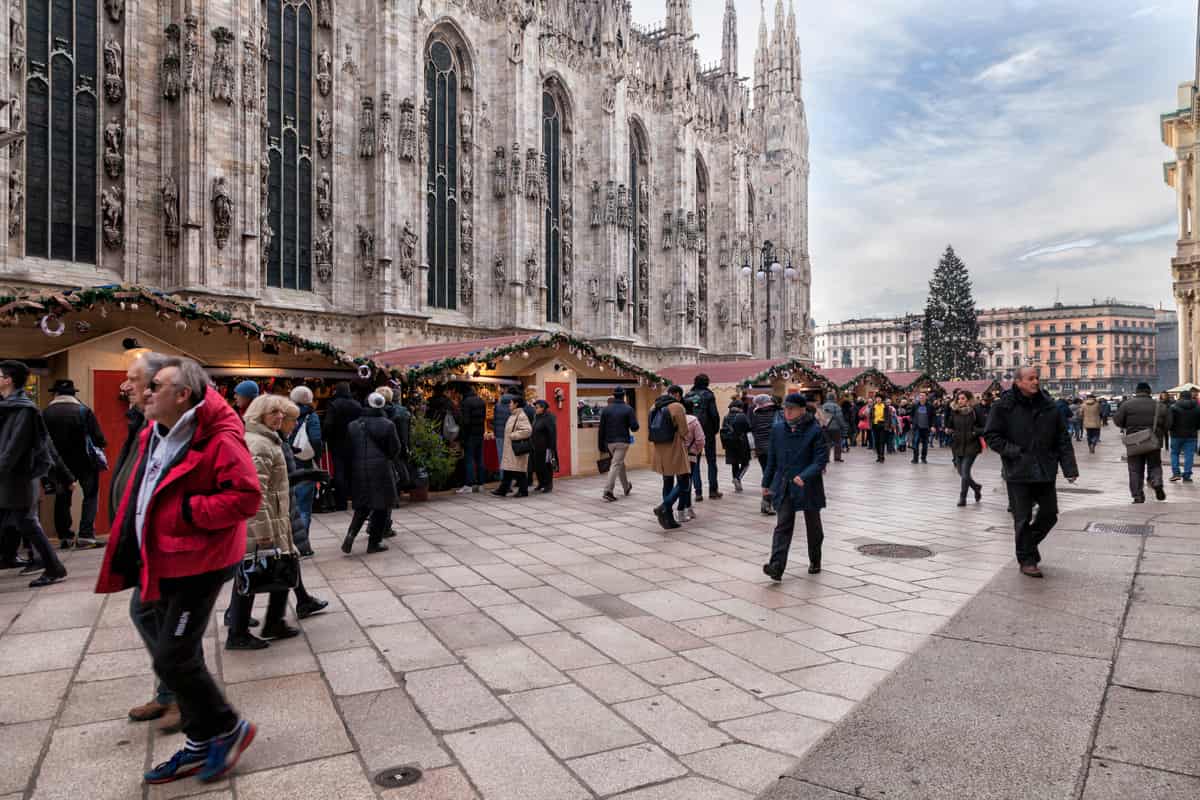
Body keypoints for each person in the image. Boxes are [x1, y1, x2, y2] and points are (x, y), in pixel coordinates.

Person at [95, 356, 259, 784]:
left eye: (156, 386)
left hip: (197, 561)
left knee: (173, 656)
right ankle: (200, 741)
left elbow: (245, 497)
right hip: (162, 555)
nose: (145, 392)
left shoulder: (219, 439)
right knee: (170, 651)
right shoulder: (156, 430)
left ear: (183, 394)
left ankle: (226, 727)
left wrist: (184, 513)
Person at [114, 353, 182, 733]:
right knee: (150, 613)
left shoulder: (180, 427)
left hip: (171, 543)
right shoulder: (147, 425)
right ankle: (170, 690)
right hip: (145, 539)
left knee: (167, 617)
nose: (127, 387)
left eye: (134, 380)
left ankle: (181, 695)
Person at [226, 394, 306, 650]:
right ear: (260, 414)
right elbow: (254, 491)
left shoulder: (267, 440)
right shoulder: (259, 444)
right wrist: (262, 530)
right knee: (250, 573)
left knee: (280, 566)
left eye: (280, 413)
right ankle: (238, 633)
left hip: (275, 516)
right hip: (263, 520)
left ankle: (274, 621)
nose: (280, 417)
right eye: (273, 413)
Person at [985, 366, 1079, 578]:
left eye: (1037, 378)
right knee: (1022, 517)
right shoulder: (1003, 406)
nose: (1035, 382)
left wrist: (1069, 468)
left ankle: (1026, 546)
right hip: (1018, 470)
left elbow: (1062, 439)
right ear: (1018, 382)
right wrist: (1014, 452)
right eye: (1030, 379)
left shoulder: (1050, 406)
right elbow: (992, 435)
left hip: (1045, 468)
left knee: (1050, 514)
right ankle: (1027, 560)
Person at [0, 360, 70, 586]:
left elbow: (14, 447)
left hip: (17, 477)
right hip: (11, 476)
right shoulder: (10, 406)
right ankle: (14, 558)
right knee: (23, 521)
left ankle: (53, 567)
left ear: (8, 379)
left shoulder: (23, 409)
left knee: (27, 521)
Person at [762, 393, 828, 580]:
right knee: (783, 525)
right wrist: (766, 483)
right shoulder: (777, 429)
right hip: (785, 484)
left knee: (813, 526)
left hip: (808, 485)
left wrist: (804, 476)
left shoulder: (815, 430)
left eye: (791, 409)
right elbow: (772, 459)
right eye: (785, 408)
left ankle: (815, 559)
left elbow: (820, 460)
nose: (787, 412)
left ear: (802, 410)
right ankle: (776, 567)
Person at [40, 377, 108, 549]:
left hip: (59, 464)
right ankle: (85, 535)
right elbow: (98, 438)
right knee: (90, 496)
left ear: (55, 394)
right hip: (85, 462)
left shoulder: (45, 413)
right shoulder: (83, 410)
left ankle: (65, 536)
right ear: (73, 394)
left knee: (62, 498)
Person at [278, 402, 331, 619]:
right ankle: (237, 617)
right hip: (274, 510)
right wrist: (309, 474)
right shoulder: (269, 443)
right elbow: (276, 480)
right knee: (276, 560)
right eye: (292, 421)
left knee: (286, 558)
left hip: (281, 506)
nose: (294, 426)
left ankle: (300, 601)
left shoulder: (277, 441)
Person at [341, 393, 401, 554]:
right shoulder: (388, 424)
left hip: (359, 468)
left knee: (362, 506)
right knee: (381, 506)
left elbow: (347, 450)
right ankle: (374, 543)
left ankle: (350, 535)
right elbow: (395, 449)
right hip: (381, 469)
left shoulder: (353, 425)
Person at [1114, 383, 1171, 504]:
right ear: (1149, 392)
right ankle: (1157, 483)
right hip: (1153, 441)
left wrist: (1128, 426)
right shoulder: (1159, 405)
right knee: (1155, 465)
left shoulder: (1126, 405)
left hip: (1134, 442)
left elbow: (1118, 421)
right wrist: (1159, 432)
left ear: (1137, 391)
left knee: (1135, 469)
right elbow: (1168, 424)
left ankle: (1138, 496)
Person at [287, 385, 323, 556]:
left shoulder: (286, 414)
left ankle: (290, 544)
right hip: (305, 464)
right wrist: (316, 457)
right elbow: (316, 439)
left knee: (290, 507)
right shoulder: (311, 416)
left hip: (289, 464)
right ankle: (303, 545)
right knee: (304, 507)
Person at [649, 385, 690, 530]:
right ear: (677, 395)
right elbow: (684, 431)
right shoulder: (677, 407)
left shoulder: (654, 406)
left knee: (667, 481)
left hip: (659, 448)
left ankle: (669, 519)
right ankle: (664, 506)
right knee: (684, 481)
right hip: (674, 447)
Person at [323, 382, 361, 512]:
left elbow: (328, 424)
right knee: (353, 471)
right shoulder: (357, 404)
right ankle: (356, 500)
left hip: (337, 442)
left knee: (340, 472)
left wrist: (326, 436)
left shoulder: (333, 405)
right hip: (354, 442)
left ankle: (341, 502)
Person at [685, 374, 722, 500]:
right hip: (708, 431)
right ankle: (713, 490)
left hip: (692, 430)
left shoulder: (688, 395)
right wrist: (715, 429)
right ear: (707, 383)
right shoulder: (709, 395)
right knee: (711, 461)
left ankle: (698, 492)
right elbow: (714, 414)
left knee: (695, 461)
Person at [598, 389, 638, 501]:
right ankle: (608, 490)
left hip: (609, 442)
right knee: (616, 464)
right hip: (622, 441)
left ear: (614, 396)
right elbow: (635, 427)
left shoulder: (606, 410)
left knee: (620, 463)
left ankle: (626, 487)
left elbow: (601, 429)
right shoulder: (628, 409)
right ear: (623, 396)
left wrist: (600, 445)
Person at [492, 396, 533, 497]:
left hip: (516, 449)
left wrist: (513, 435)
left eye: (511, 403)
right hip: (510, 449)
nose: (509, 405)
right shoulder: (513, 415)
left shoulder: (521, 415)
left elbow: (527, 430)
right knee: (508, 469)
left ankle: (523, 491)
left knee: (519, 470)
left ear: (516, 404)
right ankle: (503, 489)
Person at [949, 390, 984, 507]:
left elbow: (984, 426)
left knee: (965, 472)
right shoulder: (955, 411)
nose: (960, 401)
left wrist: (975, 432)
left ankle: (962, 497)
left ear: (968, 400)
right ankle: (976, 487)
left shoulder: (975, 411)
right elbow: (950, 425)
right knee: (960, 471)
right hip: (958, 445)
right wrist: (949, 430)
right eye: (958, 398)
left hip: (971, 445)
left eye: (963, 398)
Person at [678, 398, 706, 522]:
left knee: (680, 481)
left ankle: (687, 508)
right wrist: (696, 451)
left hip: (677, 455)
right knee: (687, 482)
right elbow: (700, 440)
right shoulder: (693, 420)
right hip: (690, 454)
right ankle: (683, 510)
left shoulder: (675, 420)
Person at [457, 384, 487, 493]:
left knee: (469, 459)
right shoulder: (481, 401)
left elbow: (466, 422)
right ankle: (481, 484)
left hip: (470, 435)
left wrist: (463, 436)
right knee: (479, 459)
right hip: (480, 433)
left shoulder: (466, 403)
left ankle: (469, 485)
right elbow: (483, 418)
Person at [720, 399, 752, 491]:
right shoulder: (742, 416)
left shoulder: (726, 417)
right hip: (741, 443)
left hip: (729, 443)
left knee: (735, 464)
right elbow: (748, 428)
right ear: (740, 407)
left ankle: (737, 485)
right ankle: (737, 478)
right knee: (745, 463)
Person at [1168, 389, 1200, 482]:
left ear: (1180, 396)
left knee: (1174, 454)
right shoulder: (1197, 407)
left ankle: (1176, 473)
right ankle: (1187, 475)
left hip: (1176, 435)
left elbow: (1170, 421)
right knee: (1189, 455)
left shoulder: (1173, 407)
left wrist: (1171, 429)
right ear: (1190, 396)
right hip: (1191, 435)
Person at [530, 399, 559, 493]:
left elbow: (552, 434)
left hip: (546, 447)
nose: (535, 409)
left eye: (537, 407)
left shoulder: (549, 418)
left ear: (543, 408)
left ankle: (548, 485)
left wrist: (551, 448)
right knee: (538, 466)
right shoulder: (536, 417)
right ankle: (541, 483)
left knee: (546, 466)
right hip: (536, 446)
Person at [820, 393, 845, 463]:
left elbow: (820, 417)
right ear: (834, 398)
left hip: (825, 427)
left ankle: (826, 458)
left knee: (826, 443)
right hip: (835, 427)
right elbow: (839, 417)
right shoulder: (837, 406)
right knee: (837, 442)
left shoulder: (823, 406)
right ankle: (837, 457)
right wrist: (842, 426)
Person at [909, 392, 933, 464]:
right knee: (915, 443)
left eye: (923, 396)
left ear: (926, 397)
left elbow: (933, 416)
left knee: (925, 444)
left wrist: (933, 426)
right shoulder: (915, 405)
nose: (921, 397)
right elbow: (911, 415)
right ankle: (915, 458)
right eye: (920, 396)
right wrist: (912, 422)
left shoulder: (930, 406)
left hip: (926, 428)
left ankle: (923, 458)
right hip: (917, 428)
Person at [493, 390, 513, 470]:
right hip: (510, 434)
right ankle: (510, 477)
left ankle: (503, 477)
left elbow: (494, 420)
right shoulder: (512, 407)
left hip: (499, 434)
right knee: (510, 457)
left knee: (501, 456)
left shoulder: (497, 406)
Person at [870, 393, 890, 463]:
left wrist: (887, 426)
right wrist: (870, 424)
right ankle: (878, 456)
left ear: (882, 399)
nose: (878, 399)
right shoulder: (873, 406)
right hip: (875, 425)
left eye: (879, 398)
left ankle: (882, 456)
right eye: (877, 398)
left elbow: (888, 417)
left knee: (882, 441)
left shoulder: (885, 406)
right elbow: (871, 416)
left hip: (882, 425)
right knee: (877, 442)